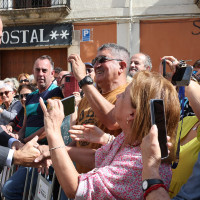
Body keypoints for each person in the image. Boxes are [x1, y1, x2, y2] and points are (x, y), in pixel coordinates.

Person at [38, 71, 180, 199]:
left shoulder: (138, 163)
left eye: (123, 94)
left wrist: (53, 131)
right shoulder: (129, 139)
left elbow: (76, 189)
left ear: (132, 114)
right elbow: (97, 157)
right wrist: (50, 151)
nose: (118, 95)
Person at [2, 55, 63, 200]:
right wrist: (17, 137)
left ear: (52, 73)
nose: (41, 74)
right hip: (28, 151)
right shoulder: (30, 97)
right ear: (33, 72)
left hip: (45, 155)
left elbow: (51, 126)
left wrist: (26, 140)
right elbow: (25, 125)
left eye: (44, 70)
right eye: (37, 70)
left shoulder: (56, 93)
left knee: (10, 189)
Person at [68, 43, 129, 173]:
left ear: (121, 66)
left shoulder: (130, 94)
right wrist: (54, 154)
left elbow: (113, 121)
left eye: (102, 60)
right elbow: (79, 141)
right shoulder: (87, 98)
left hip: (108, 182)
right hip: (81, 179)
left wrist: (84, 80)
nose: (96, 65)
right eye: (95, 61)